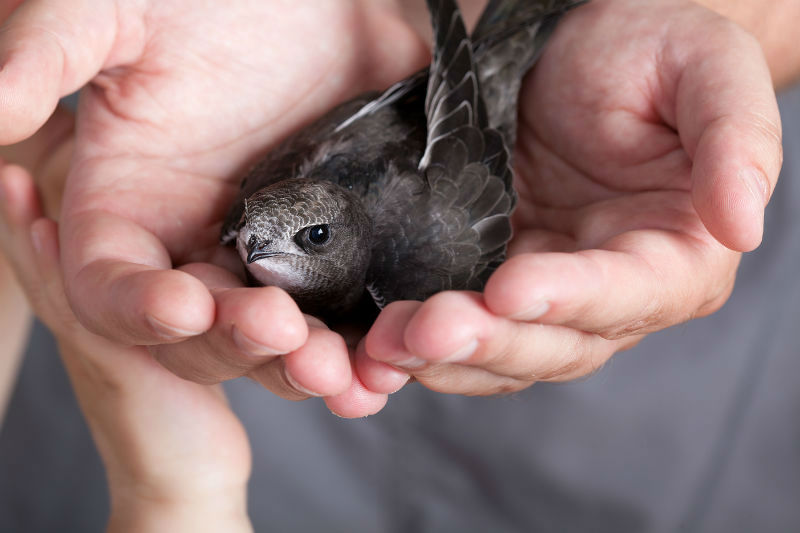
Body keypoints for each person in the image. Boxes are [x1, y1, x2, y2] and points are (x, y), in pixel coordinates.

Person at [1, 0, 799, 530]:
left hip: (642, 399)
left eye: (295, 241)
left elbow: (452, 122)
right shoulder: (268, 207)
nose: (251, 249)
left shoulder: (429, 251)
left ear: (339, 247)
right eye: (250, 235)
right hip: (138, 379)